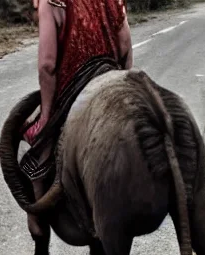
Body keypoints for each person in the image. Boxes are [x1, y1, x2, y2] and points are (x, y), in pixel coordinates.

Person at [21, 0, 133, 230]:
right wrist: (122, 85)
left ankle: (37, 217)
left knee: (34, 142)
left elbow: (47, 67)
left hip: (74, 90)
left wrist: (46, 117)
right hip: (113, 87)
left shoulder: (51, 2)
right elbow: (125, 48)